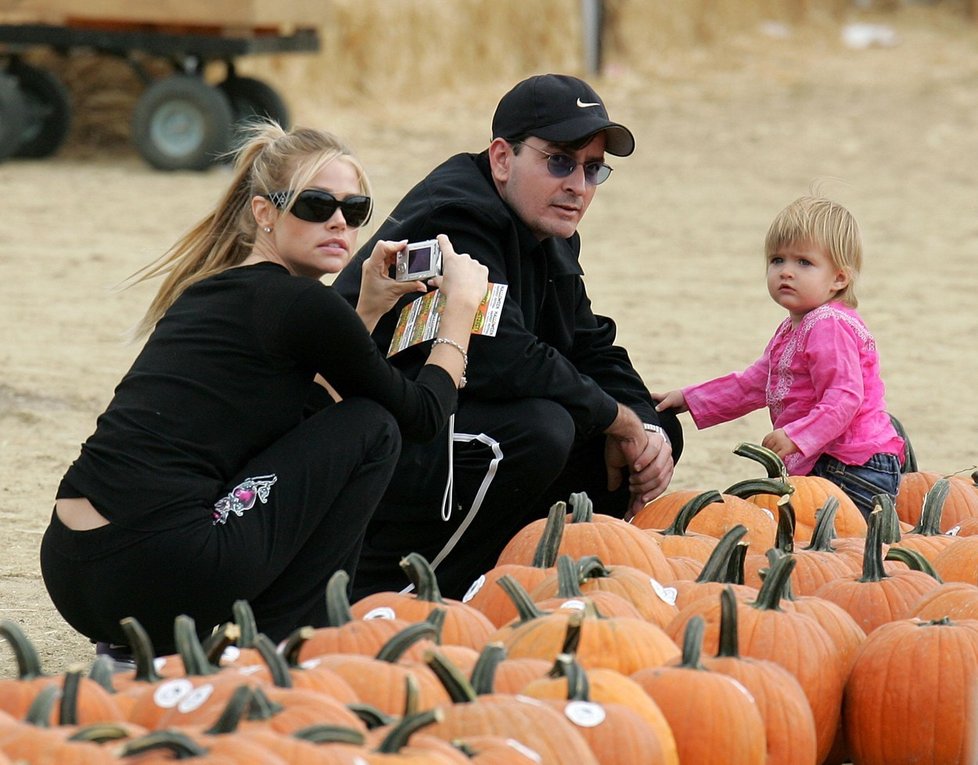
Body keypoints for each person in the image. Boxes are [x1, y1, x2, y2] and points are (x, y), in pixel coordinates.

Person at [39, 121, 488, 657]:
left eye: (356, 210)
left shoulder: (206, 292)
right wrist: (459, 314)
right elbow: (422, 416)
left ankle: (147, 653)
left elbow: (301, 428)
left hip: (73, 570)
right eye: (316, 205)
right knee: (376, 427)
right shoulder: (304, 305)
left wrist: (368, 307)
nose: (339, 222)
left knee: (347, 426)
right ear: (264, 213)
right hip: (161, 570)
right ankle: (283, 647)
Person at [334, 73, 683, 600]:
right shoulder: (454, 218)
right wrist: (617, 417)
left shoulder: (545, 224)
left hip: (437, 429)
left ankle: (534, 582)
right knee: (540, 430)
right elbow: (503, 355)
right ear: (502, 158)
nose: (578, 186)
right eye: (560, 162)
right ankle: (405, 591)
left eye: (593, 170)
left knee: (649, 434)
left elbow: (590, 341)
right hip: (358, 443)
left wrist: (643, 423)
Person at [653, 194, 905, 519]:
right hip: (823, 458)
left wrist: (797, 435)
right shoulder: (793, 328)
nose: (786, 272)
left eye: (804, 263)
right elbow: (754, 384)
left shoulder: (829, 326)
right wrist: (690, 398)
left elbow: (845, 398)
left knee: (836, 547)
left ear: (839, 278)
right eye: (777, 260)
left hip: (852, 465)